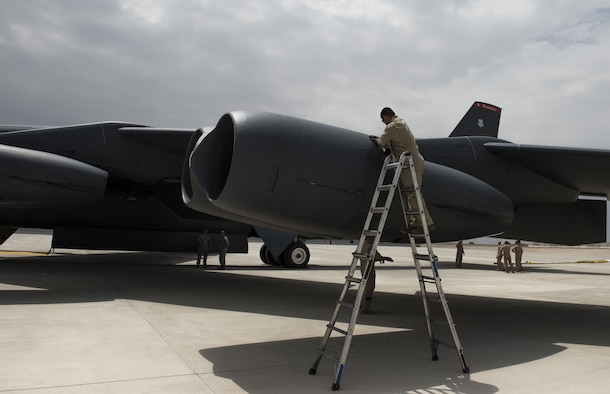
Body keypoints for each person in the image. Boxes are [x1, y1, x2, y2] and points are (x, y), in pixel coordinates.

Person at [375, 107, 434, 233]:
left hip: (410, 164)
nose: (383, 122)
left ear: (386, 116)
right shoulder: (401, 122)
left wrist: (377, 141)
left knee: (413, 193)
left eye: (383, 119)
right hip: (414, 162)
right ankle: (416, 222)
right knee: (411, 193)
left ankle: (425, 224)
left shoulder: (392, 127)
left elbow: (381, 142)